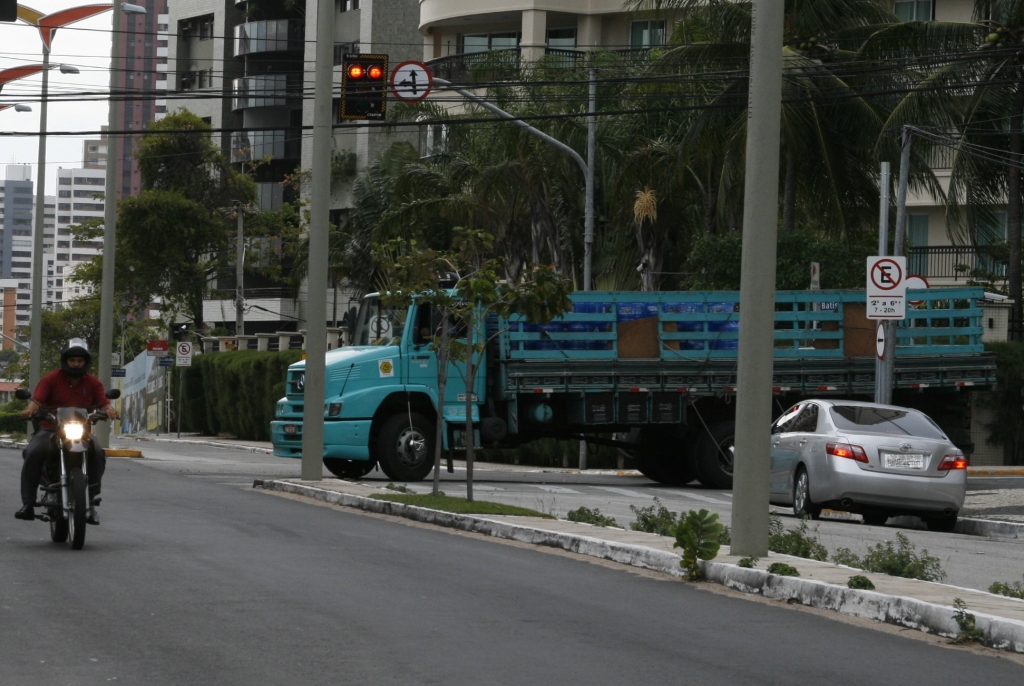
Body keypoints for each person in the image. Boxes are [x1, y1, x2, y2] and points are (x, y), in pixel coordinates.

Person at [15, 338, 119, 524]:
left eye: (80, 360)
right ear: (65, 360)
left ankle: (90, 501)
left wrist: (109, 411)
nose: (76, 364)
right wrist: (30, 410)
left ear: (86, 362)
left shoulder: (93, 383)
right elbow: (37, 401)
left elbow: (103, 403)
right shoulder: (51, 379)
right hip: (51, 429)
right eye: (72, 360)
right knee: (33, 452)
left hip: (81, 431)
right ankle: (28, 504)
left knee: (97, 452)